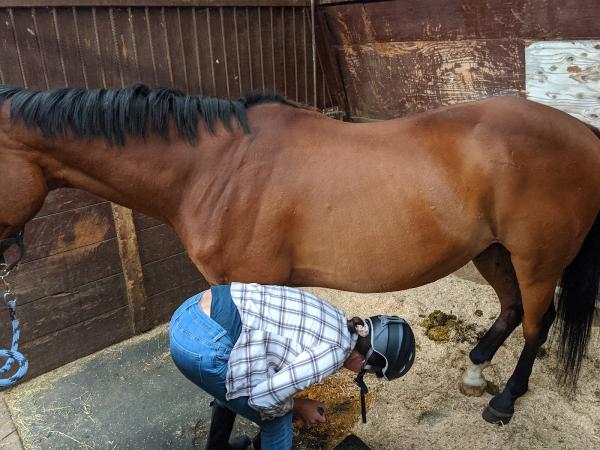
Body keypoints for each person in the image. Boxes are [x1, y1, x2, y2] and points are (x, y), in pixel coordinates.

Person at [169, 283, 415, 450]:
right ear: (365, 363)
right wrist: (299, 406)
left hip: (190, 312)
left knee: (234, 382)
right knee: (277, 421)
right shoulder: (333, 353)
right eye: (371, 374)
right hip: (200, 345)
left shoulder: (338, 318)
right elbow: (263, 400)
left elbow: (272, 358)